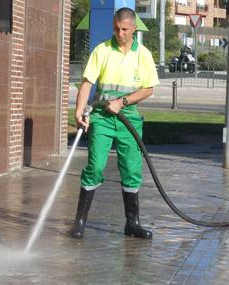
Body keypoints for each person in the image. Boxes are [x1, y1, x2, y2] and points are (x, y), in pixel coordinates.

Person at [70, 7, 159, 239]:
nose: (120, 34)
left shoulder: (144, 55)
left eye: (124, 30)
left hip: (128, 118)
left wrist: (123, 101)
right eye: (116, 29)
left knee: (131, 169)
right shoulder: (102, 50)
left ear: (134, 28)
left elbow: (148, 89)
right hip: (102, 118)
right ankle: (79, 222)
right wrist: (79, 110)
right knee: (96, 166)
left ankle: (132, 224)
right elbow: (88, 83)